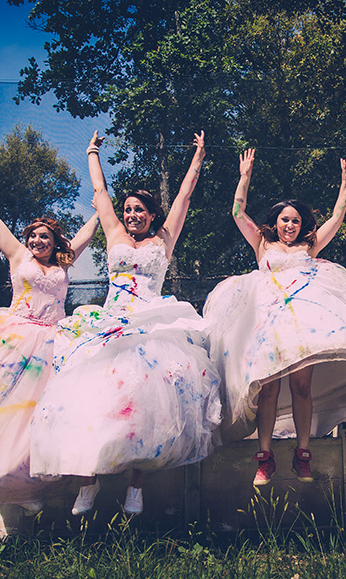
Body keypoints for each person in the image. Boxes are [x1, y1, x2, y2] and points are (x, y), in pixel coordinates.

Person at [30, 131, 221, 516]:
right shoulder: (114, 232)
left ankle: (136, 487)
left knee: (144, 405)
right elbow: (100, 192)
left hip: (149, 323)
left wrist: (199, 155)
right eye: (129, 209)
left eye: (140, 210)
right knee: (91, 398)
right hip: (111, 320)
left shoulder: (163, 240)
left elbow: (184, 195)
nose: (132, 215)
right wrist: (92, 152)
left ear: (152, 216)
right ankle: (89, 481)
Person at [203, 149, 346, 486]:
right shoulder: (262, 243)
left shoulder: (308, 247)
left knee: (303, 386)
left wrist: (345, 189)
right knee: (268, 388)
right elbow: (237, 211)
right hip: (267, 325)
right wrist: (245, 176)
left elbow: (336, 221)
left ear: (302, 225)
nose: (290, 225)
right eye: (285, 219)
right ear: (276, 222)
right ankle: (265, 457)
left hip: (303, 325)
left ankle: (303, 455)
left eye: (296, 220)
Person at [0, 183, 98, 542]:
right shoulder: (18, 257)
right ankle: (2, 492)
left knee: (42, 418)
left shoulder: (65, 261)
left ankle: (33, 488)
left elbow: (90, 232)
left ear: (55, 241)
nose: (37, 242)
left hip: (53, 343)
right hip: (15, 343)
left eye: (44, 237)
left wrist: (101, 209)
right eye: (33, 237)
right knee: (5, 416)